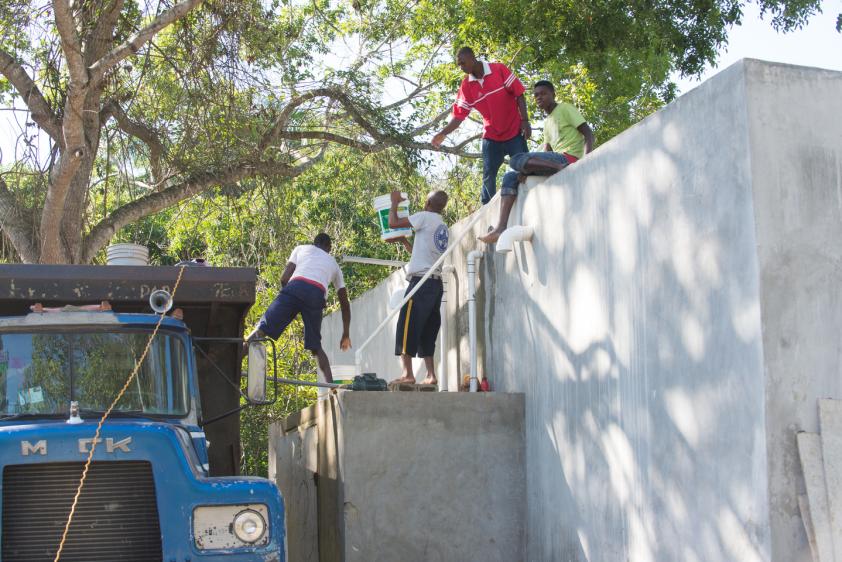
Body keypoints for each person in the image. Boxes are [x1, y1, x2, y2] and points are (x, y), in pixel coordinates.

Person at [479, 80, 595, 244]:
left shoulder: (565, 108)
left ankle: (560, 168)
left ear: (553, 94)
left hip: (568, 158)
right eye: (536, 95)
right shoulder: (547, 122)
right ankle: (501, 228)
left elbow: (588, 134)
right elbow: (547, 151)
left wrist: (587, 159)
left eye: (543, 93)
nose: (539, 97)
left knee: (516, 158)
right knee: (510, 177)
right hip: (555, 159)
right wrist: (526, 171)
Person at [246, 233, 351, 383]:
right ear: (329, 248)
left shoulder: (301, 249)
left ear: (314, 243)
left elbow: (284, 278)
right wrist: (346, 334)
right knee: (316, 347)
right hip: (316, 295)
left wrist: (290, 305)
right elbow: (344, 303)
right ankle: (331, 387)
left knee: (261, 330)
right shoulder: (333, 264)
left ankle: (235, 361)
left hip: (294, 287)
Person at [431, 47, 531, 205]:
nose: (461, 67)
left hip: (513, 131)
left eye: (463, 63)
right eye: (459, 65)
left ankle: (528, 197)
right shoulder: (466, 86)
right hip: (492, 136)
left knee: (524, 166)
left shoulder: (499, 69)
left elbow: (519, 94)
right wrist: (443, 133)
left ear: (472, 58)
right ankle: (487, 207)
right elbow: (458, 116)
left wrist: (525, 121)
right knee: (488, 174)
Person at [387, 190, 449, 385]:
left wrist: (394, 202)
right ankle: (431, 375)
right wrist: (405, 241)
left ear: (428, 202)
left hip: (421, 283)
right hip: (435, 284)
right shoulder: (441, 225)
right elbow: (420, 254)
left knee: (406, 325)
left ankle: (408, 374)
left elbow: (392, 223)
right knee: (427, 328)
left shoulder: (424, 216)